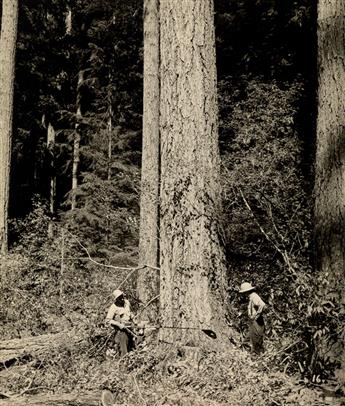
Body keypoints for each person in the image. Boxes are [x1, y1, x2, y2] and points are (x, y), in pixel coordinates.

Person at [239, 282, 266, 354]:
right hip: (254, 322)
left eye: (244, 292)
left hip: (257, 322)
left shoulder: (254, 296)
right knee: (248, 339)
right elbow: (252, 308)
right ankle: (251, 355)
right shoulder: (251, 297)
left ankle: (257, 357)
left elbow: (262, 305)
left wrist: (256, 315)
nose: (244, 294)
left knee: (256, 342)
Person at [105, 289, 134, 356]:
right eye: (119, 298)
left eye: (122, 296)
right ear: (116, 299)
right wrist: (118, 324)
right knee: (124, 348)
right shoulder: (113, 307)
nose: (121, 299)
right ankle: (124, 360)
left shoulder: (127, 302)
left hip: (130, 327)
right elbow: (108, 320)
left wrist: (133, 318)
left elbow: (130, 312)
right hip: (121, 330)